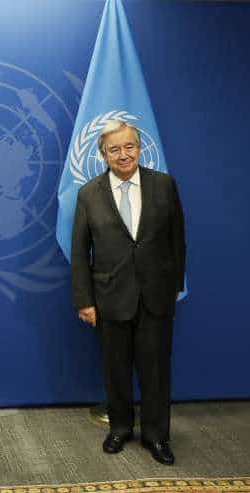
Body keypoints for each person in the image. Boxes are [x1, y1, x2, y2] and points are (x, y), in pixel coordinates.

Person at [70, 120, 185, 465]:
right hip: (110, 298)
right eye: (114, 149)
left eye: (129, 146)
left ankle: (156, 436)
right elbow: (80, 252)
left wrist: (174, 285)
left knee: (156, 371)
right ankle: (120, 428)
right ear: (103, 154)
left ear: (140, 148)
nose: (123, 154)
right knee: (116, 370)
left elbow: (177, 240)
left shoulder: (163, 185)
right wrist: (84, 301)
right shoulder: (88, 194)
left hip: (155, 297)